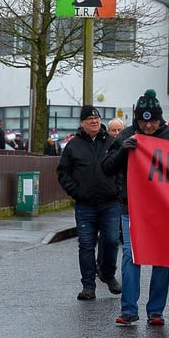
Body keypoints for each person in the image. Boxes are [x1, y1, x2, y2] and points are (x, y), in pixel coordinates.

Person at [102, 89, 169, 326]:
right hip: (133, 208)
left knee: (161, 258)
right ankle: (129, 309)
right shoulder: (126, 136)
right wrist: (122, 152)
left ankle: (155, 311)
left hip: (164, 209)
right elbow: (106, 167)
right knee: (132, 256)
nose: (148, 126)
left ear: (160, 118)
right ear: (137, 119)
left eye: (153, 121)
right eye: (143, 121)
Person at [56, 105, 122, 301]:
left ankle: (107, 274)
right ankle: (88, 286)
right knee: (86, 245)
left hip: (110, 203)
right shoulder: (73, 146)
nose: (94, 121)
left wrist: (117, 189)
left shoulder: (112, 143)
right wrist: (76, 191)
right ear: (82, 123)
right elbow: (63, 172)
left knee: (111, 241)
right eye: (89, 119)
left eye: (97, 118)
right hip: (85, 205)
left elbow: (122, 168)